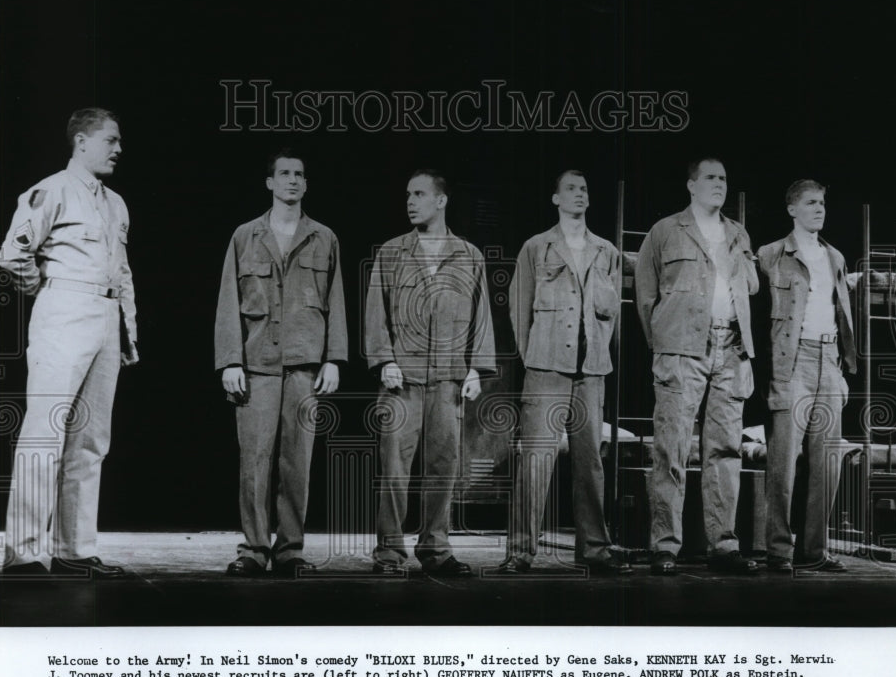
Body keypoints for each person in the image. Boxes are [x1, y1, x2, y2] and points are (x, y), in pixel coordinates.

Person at [0, 107, 137, 578]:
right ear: (81, 140)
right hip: (65, 313)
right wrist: (47, 293)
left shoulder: (115, 203)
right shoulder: (51, 189)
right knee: (45, 431)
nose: (118, 149)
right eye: (111, 140)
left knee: (92, 441)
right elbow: (14, 254)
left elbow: (122, 271)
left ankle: (75, 550)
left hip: (106, 316)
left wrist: (127, 331)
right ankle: (25, 551)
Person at [214, 148, 347, 577]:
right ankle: (254, 547)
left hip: (305, 366)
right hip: (257, 365)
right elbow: (228, 304)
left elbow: (336, 302)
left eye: (299, 175)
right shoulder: (245, 236)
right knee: (254, 460)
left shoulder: (324, 237)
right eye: (284, 173)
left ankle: (290, 548)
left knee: (297, 461)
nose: (292, 180)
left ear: (306, 185)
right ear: (269, 182)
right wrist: (230, 361)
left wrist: (334, 359)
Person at [498, 170, 631, 574]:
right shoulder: (537, 247)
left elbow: (611, 312)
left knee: (590, 462)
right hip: (546, 367)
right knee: (536, 460)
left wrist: (598, 350)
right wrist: (534, 354)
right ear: (556, 198)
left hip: (590, 371)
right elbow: (518, 308)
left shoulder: (605, 250)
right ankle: (520, 551)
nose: (579, 195)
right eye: (570, 189)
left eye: (584, 189)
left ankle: (594, 548)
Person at [364, 169, 496, 576]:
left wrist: (476, 367)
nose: (410, 201)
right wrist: (383, 359)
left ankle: (436, 551)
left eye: (419, 194)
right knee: (394, 471)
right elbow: (376, 312)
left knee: (443, 468)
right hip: (401, 378)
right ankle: (389, 554)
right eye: (408, 194)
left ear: (441, 201)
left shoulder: (469, 255)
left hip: (448, 379)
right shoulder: (391, 252)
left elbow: (482, 315)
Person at [634, 157, 759, 575]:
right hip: (681, 348)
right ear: (691, 185)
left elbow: (752, 288)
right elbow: (646, 296)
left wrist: (742, 259)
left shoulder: (737, 233)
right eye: (710, 177)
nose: (719, 184)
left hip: (732, 346)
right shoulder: (666, 231)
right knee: (671, 447)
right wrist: (665, 345)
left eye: (724, 178)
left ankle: (723, 545)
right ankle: (664, 546)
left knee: (724, 450)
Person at [758, 180, 856, 573]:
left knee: (827, 461)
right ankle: (778, 550)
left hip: (828, 358)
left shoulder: (835, 257)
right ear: (792, 209)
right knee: (783, 460)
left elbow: (842, 315)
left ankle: (814, 551)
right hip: (791, 360)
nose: (820, 209)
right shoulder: (770, 255)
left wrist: (841, 368)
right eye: (811, 203)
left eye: (823, 203)